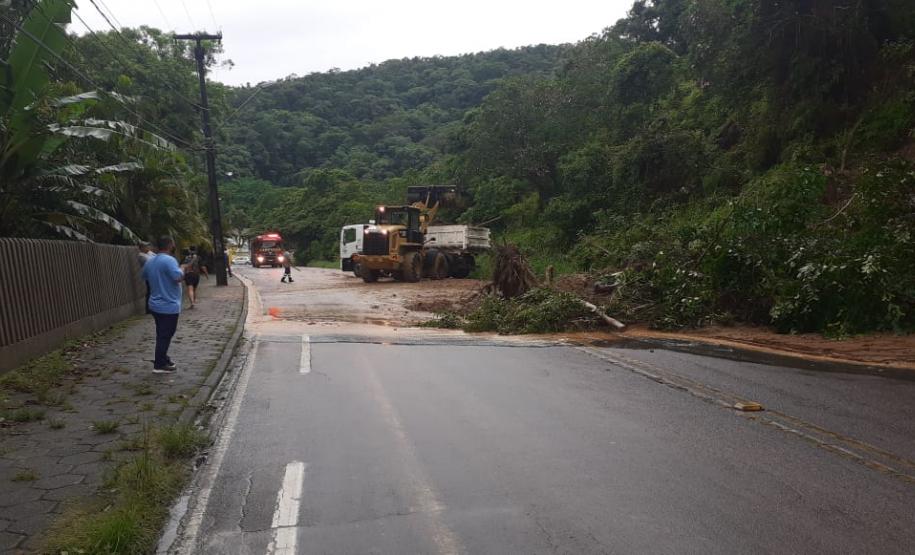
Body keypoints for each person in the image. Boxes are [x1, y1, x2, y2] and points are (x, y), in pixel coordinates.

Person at [141, 236, 185, 373]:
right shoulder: (169, 260)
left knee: (162, 332)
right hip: (168, 305)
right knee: (165, 335)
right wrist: (182, 269)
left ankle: (163, 358)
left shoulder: (150, 261)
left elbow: (144, 277)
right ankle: (159, 365)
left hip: (155, 303)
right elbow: (178, 277)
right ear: (170, 245)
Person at [138, 242, 157, 314]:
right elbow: (149, 263)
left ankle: (154, 307)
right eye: (146, 246)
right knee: (150, 291)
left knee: (154, 291)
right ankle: (148, 309)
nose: (148, 247)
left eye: (148, 246)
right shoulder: (141, 256)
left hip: (155, 275)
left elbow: (158, 257)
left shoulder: (150, 253)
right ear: (141, 248)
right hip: (149, 276)